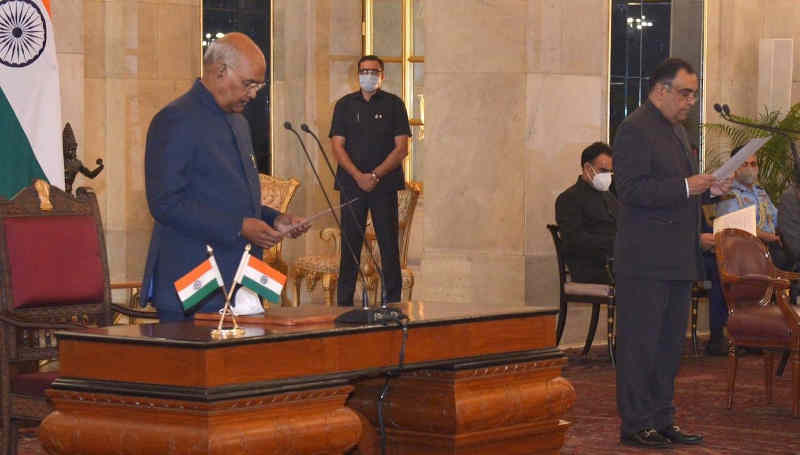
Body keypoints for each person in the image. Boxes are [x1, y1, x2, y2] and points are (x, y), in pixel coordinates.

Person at [141, 33, 309, 321]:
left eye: (259, 85)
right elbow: (165, 203)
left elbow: (232, 195)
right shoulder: (174, 119)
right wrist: (238, 226)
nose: (254, 93)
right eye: (249, 84)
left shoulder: (238, 122)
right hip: (192, 283)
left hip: (240, 282)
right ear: (220, 71)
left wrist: (274, 219)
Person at [613, 58, 731, 449]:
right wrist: (686, 187)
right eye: (685, 93)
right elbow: (631, 191)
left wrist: (708, 190)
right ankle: (635, 424)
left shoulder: (677, 132)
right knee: (640, 345)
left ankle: (663, 419)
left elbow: (680, 191)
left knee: (668, 347)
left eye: (694, 94)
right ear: (660, 90)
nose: (691, 102)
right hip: (645, 261)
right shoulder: (634, 130)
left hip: (678, 257)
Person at [329, 55, 411, 306]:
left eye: (374, 72)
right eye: (364, 71)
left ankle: (392, 302)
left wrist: (375, 175)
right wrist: (358, 176)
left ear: (382, 76)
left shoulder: (394, 104)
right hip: (352, 185)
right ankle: (344, 303)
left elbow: (401, 148)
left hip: (383, 186)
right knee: (350, 245)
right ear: (357, 75)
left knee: (388, 245)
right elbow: (337, 145)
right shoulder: (344, 105)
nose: (369, 76)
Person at [555, 142, 618, 284]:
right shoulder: (569, 198)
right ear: (587, 168)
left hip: (616, 263)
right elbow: (574, 240)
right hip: (591, 268)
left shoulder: (610, 197)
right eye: (603, 171)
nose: (608, 176)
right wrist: (613, 243)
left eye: (610, 172)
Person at [716, 146, 789, 268]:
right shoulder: (728, 193)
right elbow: (739, 228)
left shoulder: (760, 192)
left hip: (771, 247)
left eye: (753, 164)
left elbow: (778, 218)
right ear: (734, 168)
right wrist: (771, 238)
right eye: (745, 164)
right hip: (747, 251)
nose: (750, 168)